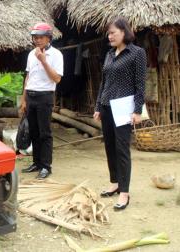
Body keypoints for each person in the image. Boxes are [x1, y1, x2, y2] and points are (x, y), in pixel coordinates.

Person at [93, 17, 146, 211]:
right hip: (107, 107)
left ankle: (125, 192)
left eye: (113, 32)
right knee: (109, 147)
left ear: (124, 32)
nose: (110, 36)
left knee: (122, 149)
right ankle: (114, 182)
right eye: (108, 33)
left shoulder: (137, 53)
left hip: (123, 108)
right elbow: (103, 82)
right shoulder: (109, 54)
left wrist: (137, 110)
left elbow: (140, 84)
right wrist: (98, 106)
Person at [20, 23, 63, 179]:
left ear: (48, 38)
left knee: (45, 132)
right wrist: (24, 99)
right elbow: (28, 77)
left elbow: (57, 78)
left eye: (40, 37)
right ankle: (36, 163)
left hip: (45, 96)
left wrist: (44, 61)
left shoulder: (57, 55)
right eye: (35, 37)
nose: (37, 40)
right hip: (31, 96)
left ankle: (46, 166)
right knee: (33, 131)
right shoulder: (31, 54)